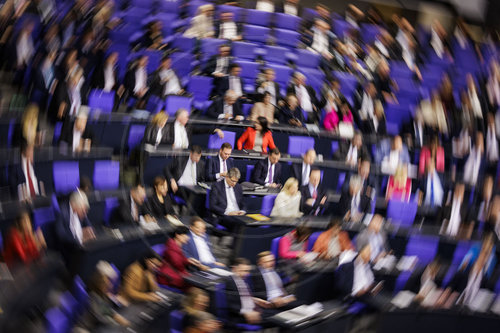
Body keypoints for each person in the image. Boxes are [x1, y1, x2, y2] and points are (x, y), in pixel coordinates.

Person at [158, 226, 207, 290]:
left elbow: (180, 260)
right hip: (169, 277)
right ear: (177, 235)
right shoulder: (171, 247)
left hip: (176, 273)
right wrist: (187, 263)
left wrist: (188, 260)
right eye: (185, 235)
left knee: (199, 283)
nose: (187, 238)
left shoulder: (176, 246)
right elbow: (178, 264)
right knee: (197, 286)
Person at [225, 258, 268, 325]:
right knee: (275, 319)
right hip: (240, 316)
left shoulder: (242, 280)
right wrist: (246, 313)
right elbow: (231, 304)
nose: (246, 274)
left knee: (277, 315)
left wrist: (255, 300)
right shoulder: (230, 282)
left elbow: (242, 297)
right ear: (234, 269)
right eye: (243, 271)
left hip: (252, 310)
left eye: (247, 271)